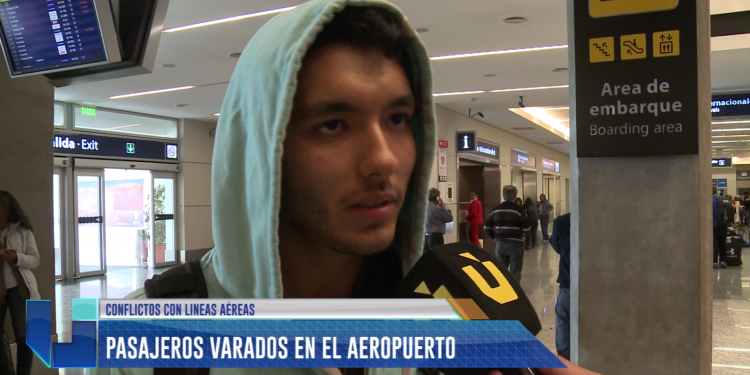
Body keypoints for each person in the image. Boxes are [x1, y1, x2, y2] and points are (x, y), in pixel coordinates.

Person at [89, 1, 598, 374]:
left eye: (398, 118)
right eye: (333, 124)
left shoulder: (438, 324)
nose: (382, 158)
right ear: (264, 154)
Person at [0, 191, 40, 375]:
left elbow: (35, 259)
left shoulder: (23, 230)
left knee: (24, 336)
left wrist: (16, 257)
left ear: (9, 209)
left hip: (19, 289)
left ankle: (23, 372)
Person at [485, 186, 531, 282]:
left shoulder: (495, 209)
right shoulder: (519, 210)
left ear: (503, 195)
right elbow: (527, 229)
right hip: (516, 244)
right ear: (515, 196)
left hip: (500, 243)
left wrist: (495, 238)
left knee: (501, 272)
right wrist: (525, 240)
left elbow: (487, 227)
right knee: (515, 273)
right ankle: (515, 293)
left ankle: (503, 293)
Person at [550, 213, 571, 360]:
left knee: (564, 327)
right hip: (601, 290)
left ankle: (566, 365)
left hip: (568, 286)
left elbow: (557, 247)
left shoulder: (562, 222)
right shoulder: (604, 219)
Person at [713, 186, 729, 269]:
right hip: (724, 224)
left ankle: (714, 262)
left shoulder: (712, 200)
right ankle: (723, 261)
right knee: (723, 242)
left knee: (715, 242)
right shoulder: (724, 199)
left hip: (715, 224)